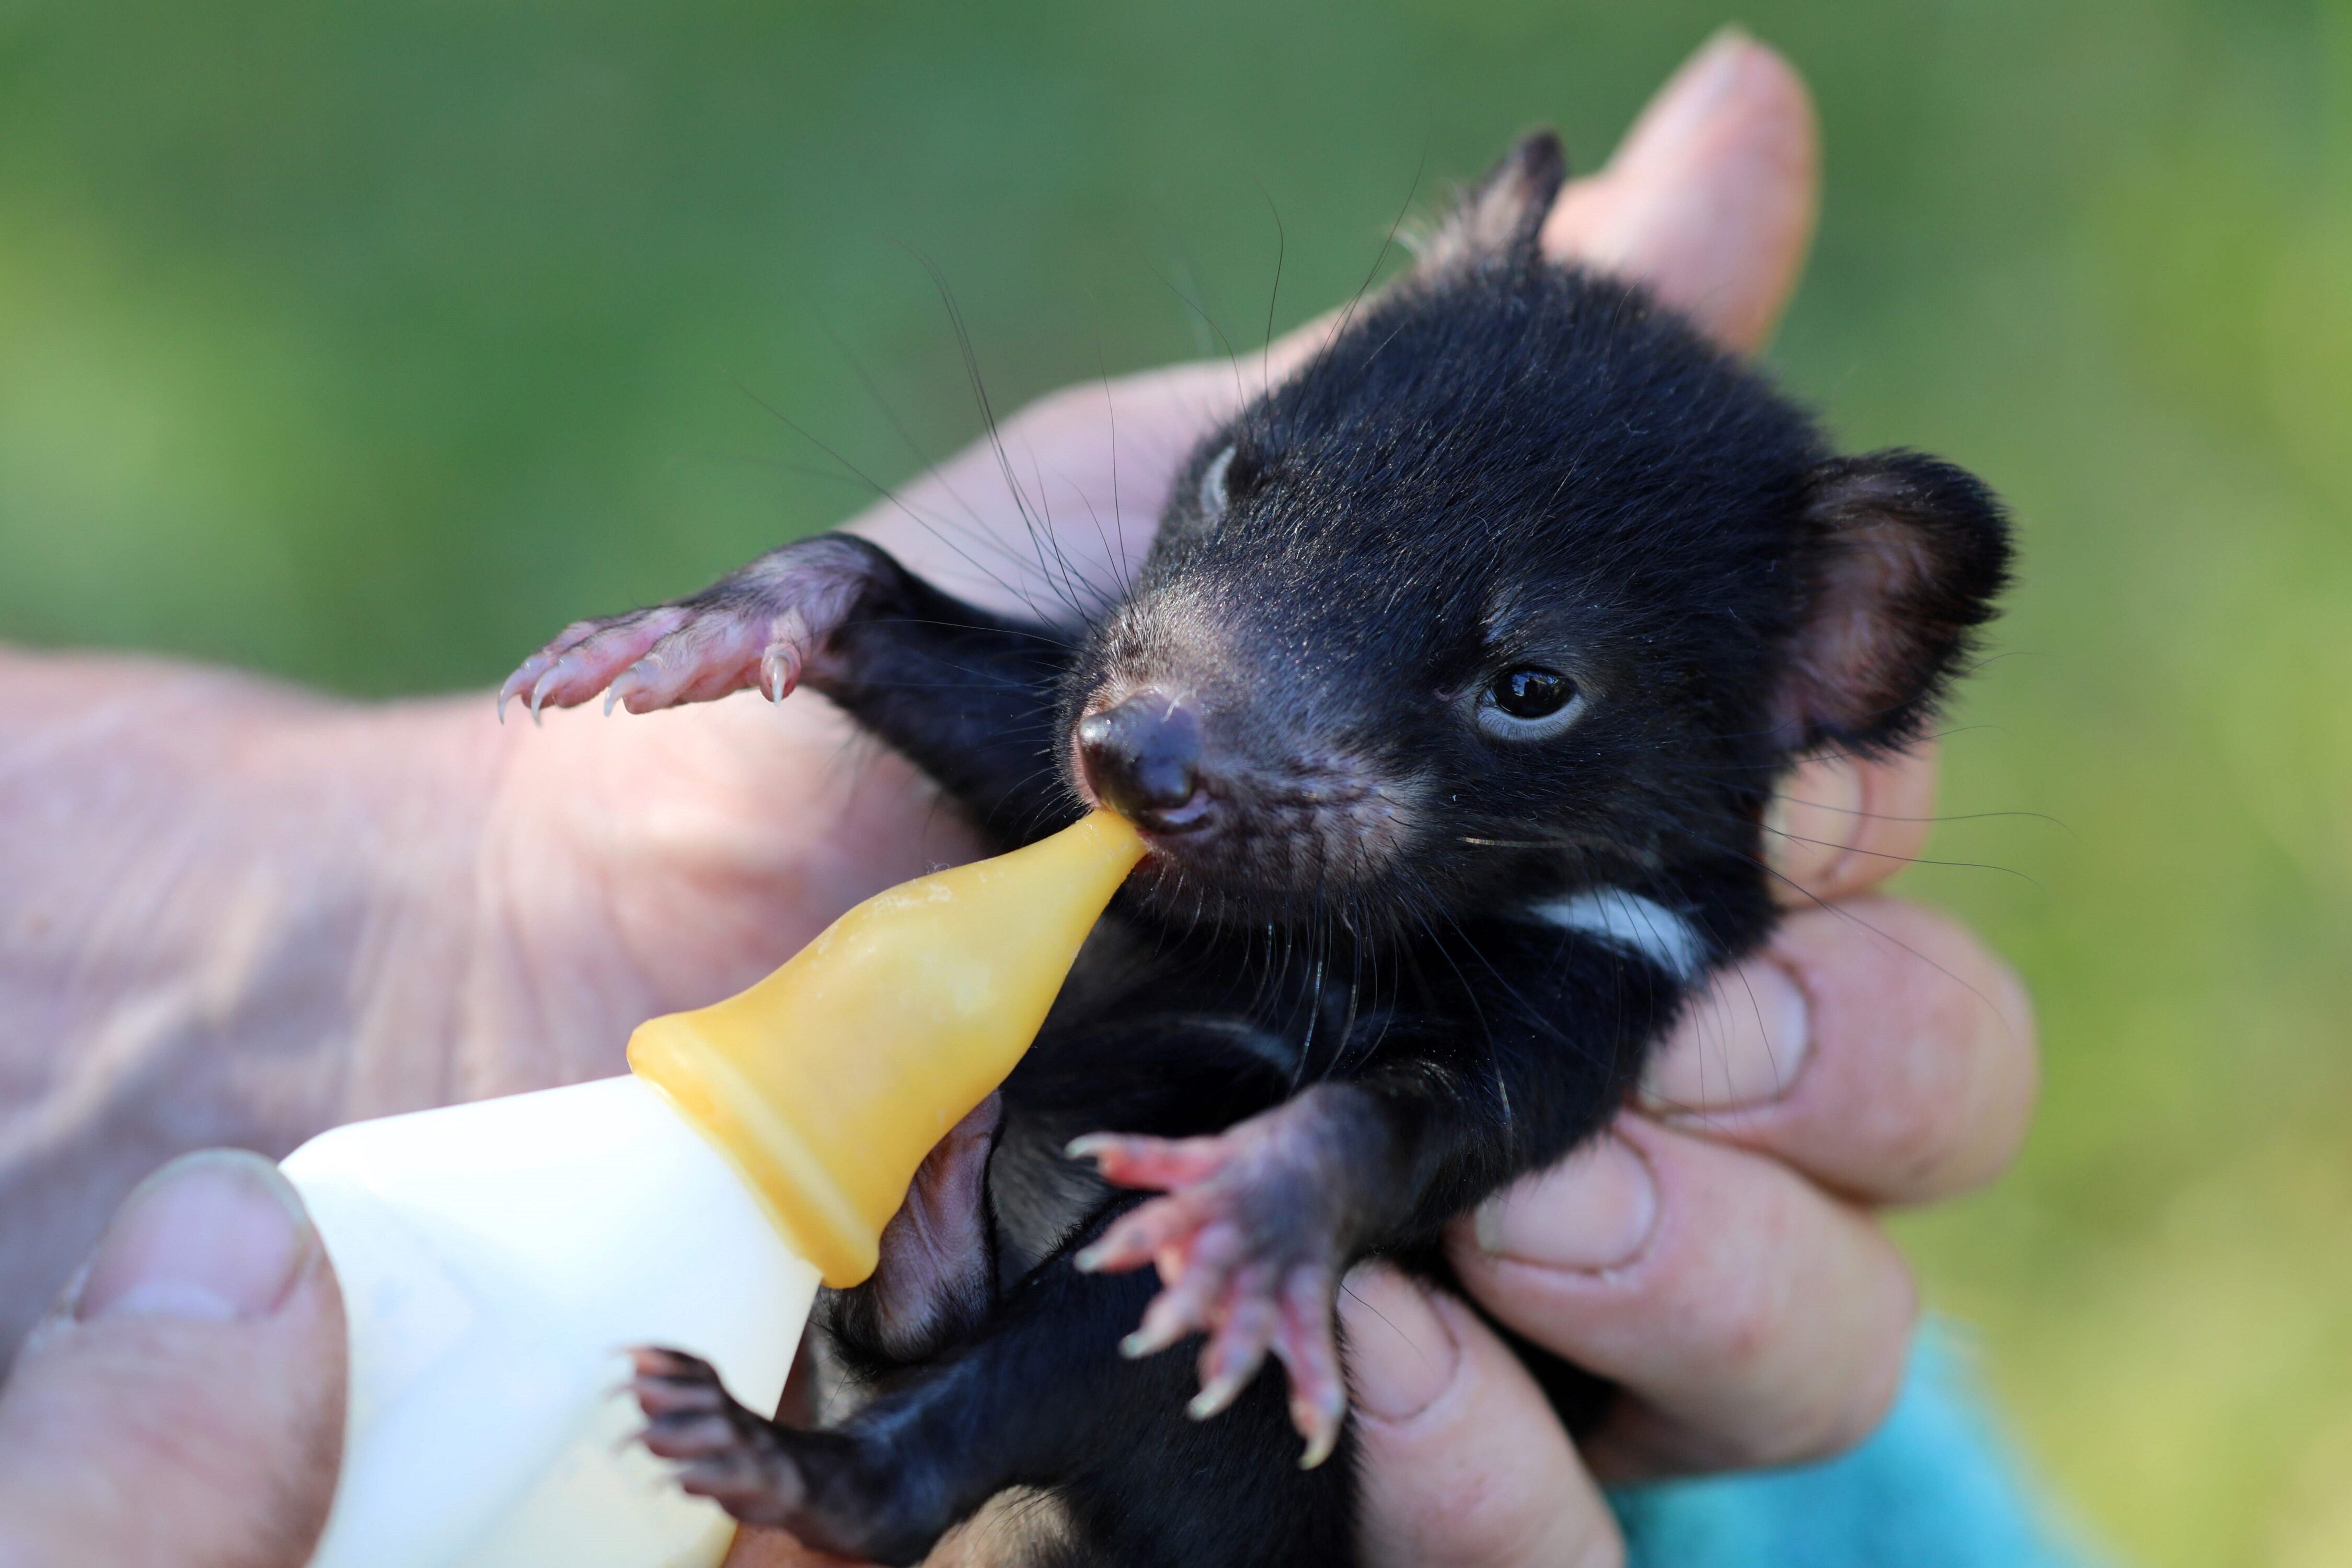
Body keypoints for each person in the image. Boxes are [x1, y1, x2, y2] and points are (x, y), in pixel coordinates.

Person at [0, 31, 2068, 1568]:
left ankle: (898, 1461)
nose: (1182, 723)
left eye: (1523, 691)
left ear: (1820, 672)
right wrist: (842, 612)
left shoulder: (1626, 933)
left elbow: (1477, 1114)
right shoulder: (1185, 757)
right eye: (1252, 498)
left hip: (1237, 1462)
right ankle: (909, 1350)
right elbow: (1027, 732)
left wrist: (1324, 1172)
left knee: (1163, 1315)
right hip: (970, 1221)